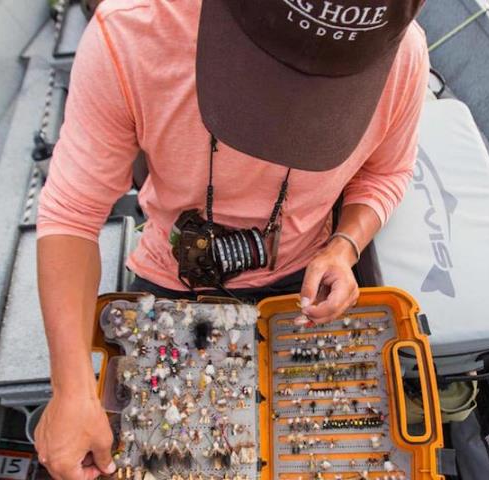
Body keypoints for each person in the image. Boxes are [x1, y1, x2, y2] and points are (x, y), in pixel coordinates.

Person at [33, 0, 429, 478]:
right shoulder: (133, 32)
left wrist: (344, 247)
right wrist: (70, 390)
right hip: (172, 276)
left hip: (304, 284)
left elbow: (386, 171)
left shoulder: (402, 54)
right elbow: (73, 213)